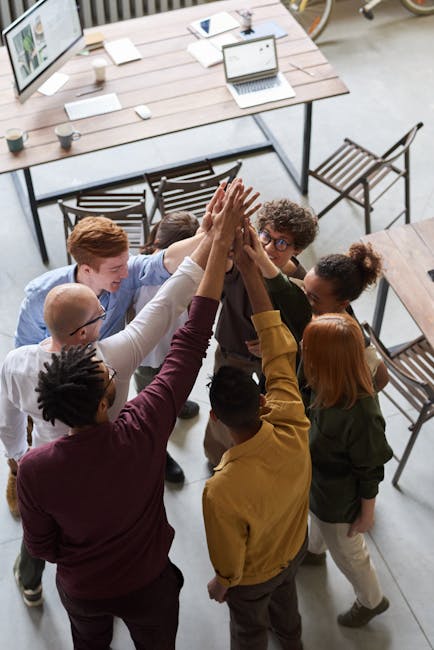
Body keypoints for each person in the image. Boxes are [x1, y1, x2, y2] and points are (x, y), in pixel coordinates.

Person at [16, 179, 247, 649]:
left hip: (82, 583)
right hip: (142, 577)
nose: (122, 279)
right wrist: (221, 245)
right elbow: (177, 328)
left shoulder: (38, 465)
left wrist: (210, 236)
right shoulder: (135, 420)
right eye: (115, 270)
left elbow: (165, 279)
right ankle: (30, 576)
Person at [1, 254, 205, 606]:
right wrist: (211, 245)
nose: (107, 314)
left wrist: (19, 456)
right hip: (108, 456)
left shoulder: (16, 362)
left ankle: (30, 580)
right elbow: (168, 303)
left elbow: (8, 421)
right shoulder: (111, 358)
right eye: (100, 313)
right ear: (82, 333)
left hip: (49, 465)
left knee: (42, 523)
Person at [6, 215, 204, 516]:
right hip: (54, 404)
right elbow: (166, 307)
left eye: (126, 262)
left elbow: (163, 262)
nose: (127, 273)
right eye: (116, 267)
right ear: (87, 270)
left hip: (101, 389)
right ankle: (19, 475)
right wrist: (19, 458)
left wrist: (208, 234)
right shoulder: (38, 298)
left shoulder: (123, 276)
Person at [203, 223, 311, 650]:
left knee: (248, 632)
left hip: (254, 575)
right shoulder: (293, 421)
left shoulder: (221, 488)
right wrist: (250, 267)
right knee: (288, 612)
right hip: (294, 549)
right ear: (261, 396)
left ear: (215, 417)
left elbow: (229, 553)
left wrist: (223, 581)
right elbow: (278, 346)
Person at [204, 198, 318, 467]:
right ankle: (218, 457)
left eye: (281, 243)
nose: (268, 247)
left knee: (267, 412)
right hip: (232, 353)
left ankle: (256, 457)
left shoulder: (298, 282)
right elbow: (222, 266)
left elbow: (301, 325)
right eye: (266, 235)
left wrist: (275, 342)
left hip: (273, 364)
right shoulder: (241, 260)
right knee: (225, 413)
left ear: (297, 249)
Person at [301, 312, 393, 628]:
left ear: (327, 361)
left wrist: (367, 513)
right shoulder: (321, 381)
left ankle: (372, 600)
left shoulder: (363, 415)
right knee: (316, 518)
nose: (302, 350)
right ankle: (314, 550)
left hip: (341, 502)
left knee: (349, 552)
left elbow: (370, 470)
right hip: (318, 482)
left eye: (307, 349)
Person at [262, 241, 389, 393]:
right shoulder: (302, 293)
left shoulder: (351, 341)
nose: (302, 297)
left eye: (313, 298)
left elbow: (382, 377)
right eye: (304, 288)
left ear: (342, 304)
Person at [132, 211, 201, 483]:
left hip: (174, 344)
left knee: (175, 383)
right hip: (149, 354)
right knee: (151, 404)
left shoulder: (189, 269)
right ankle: (158, 454)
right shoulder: (146, 275)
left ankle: (178, 404)